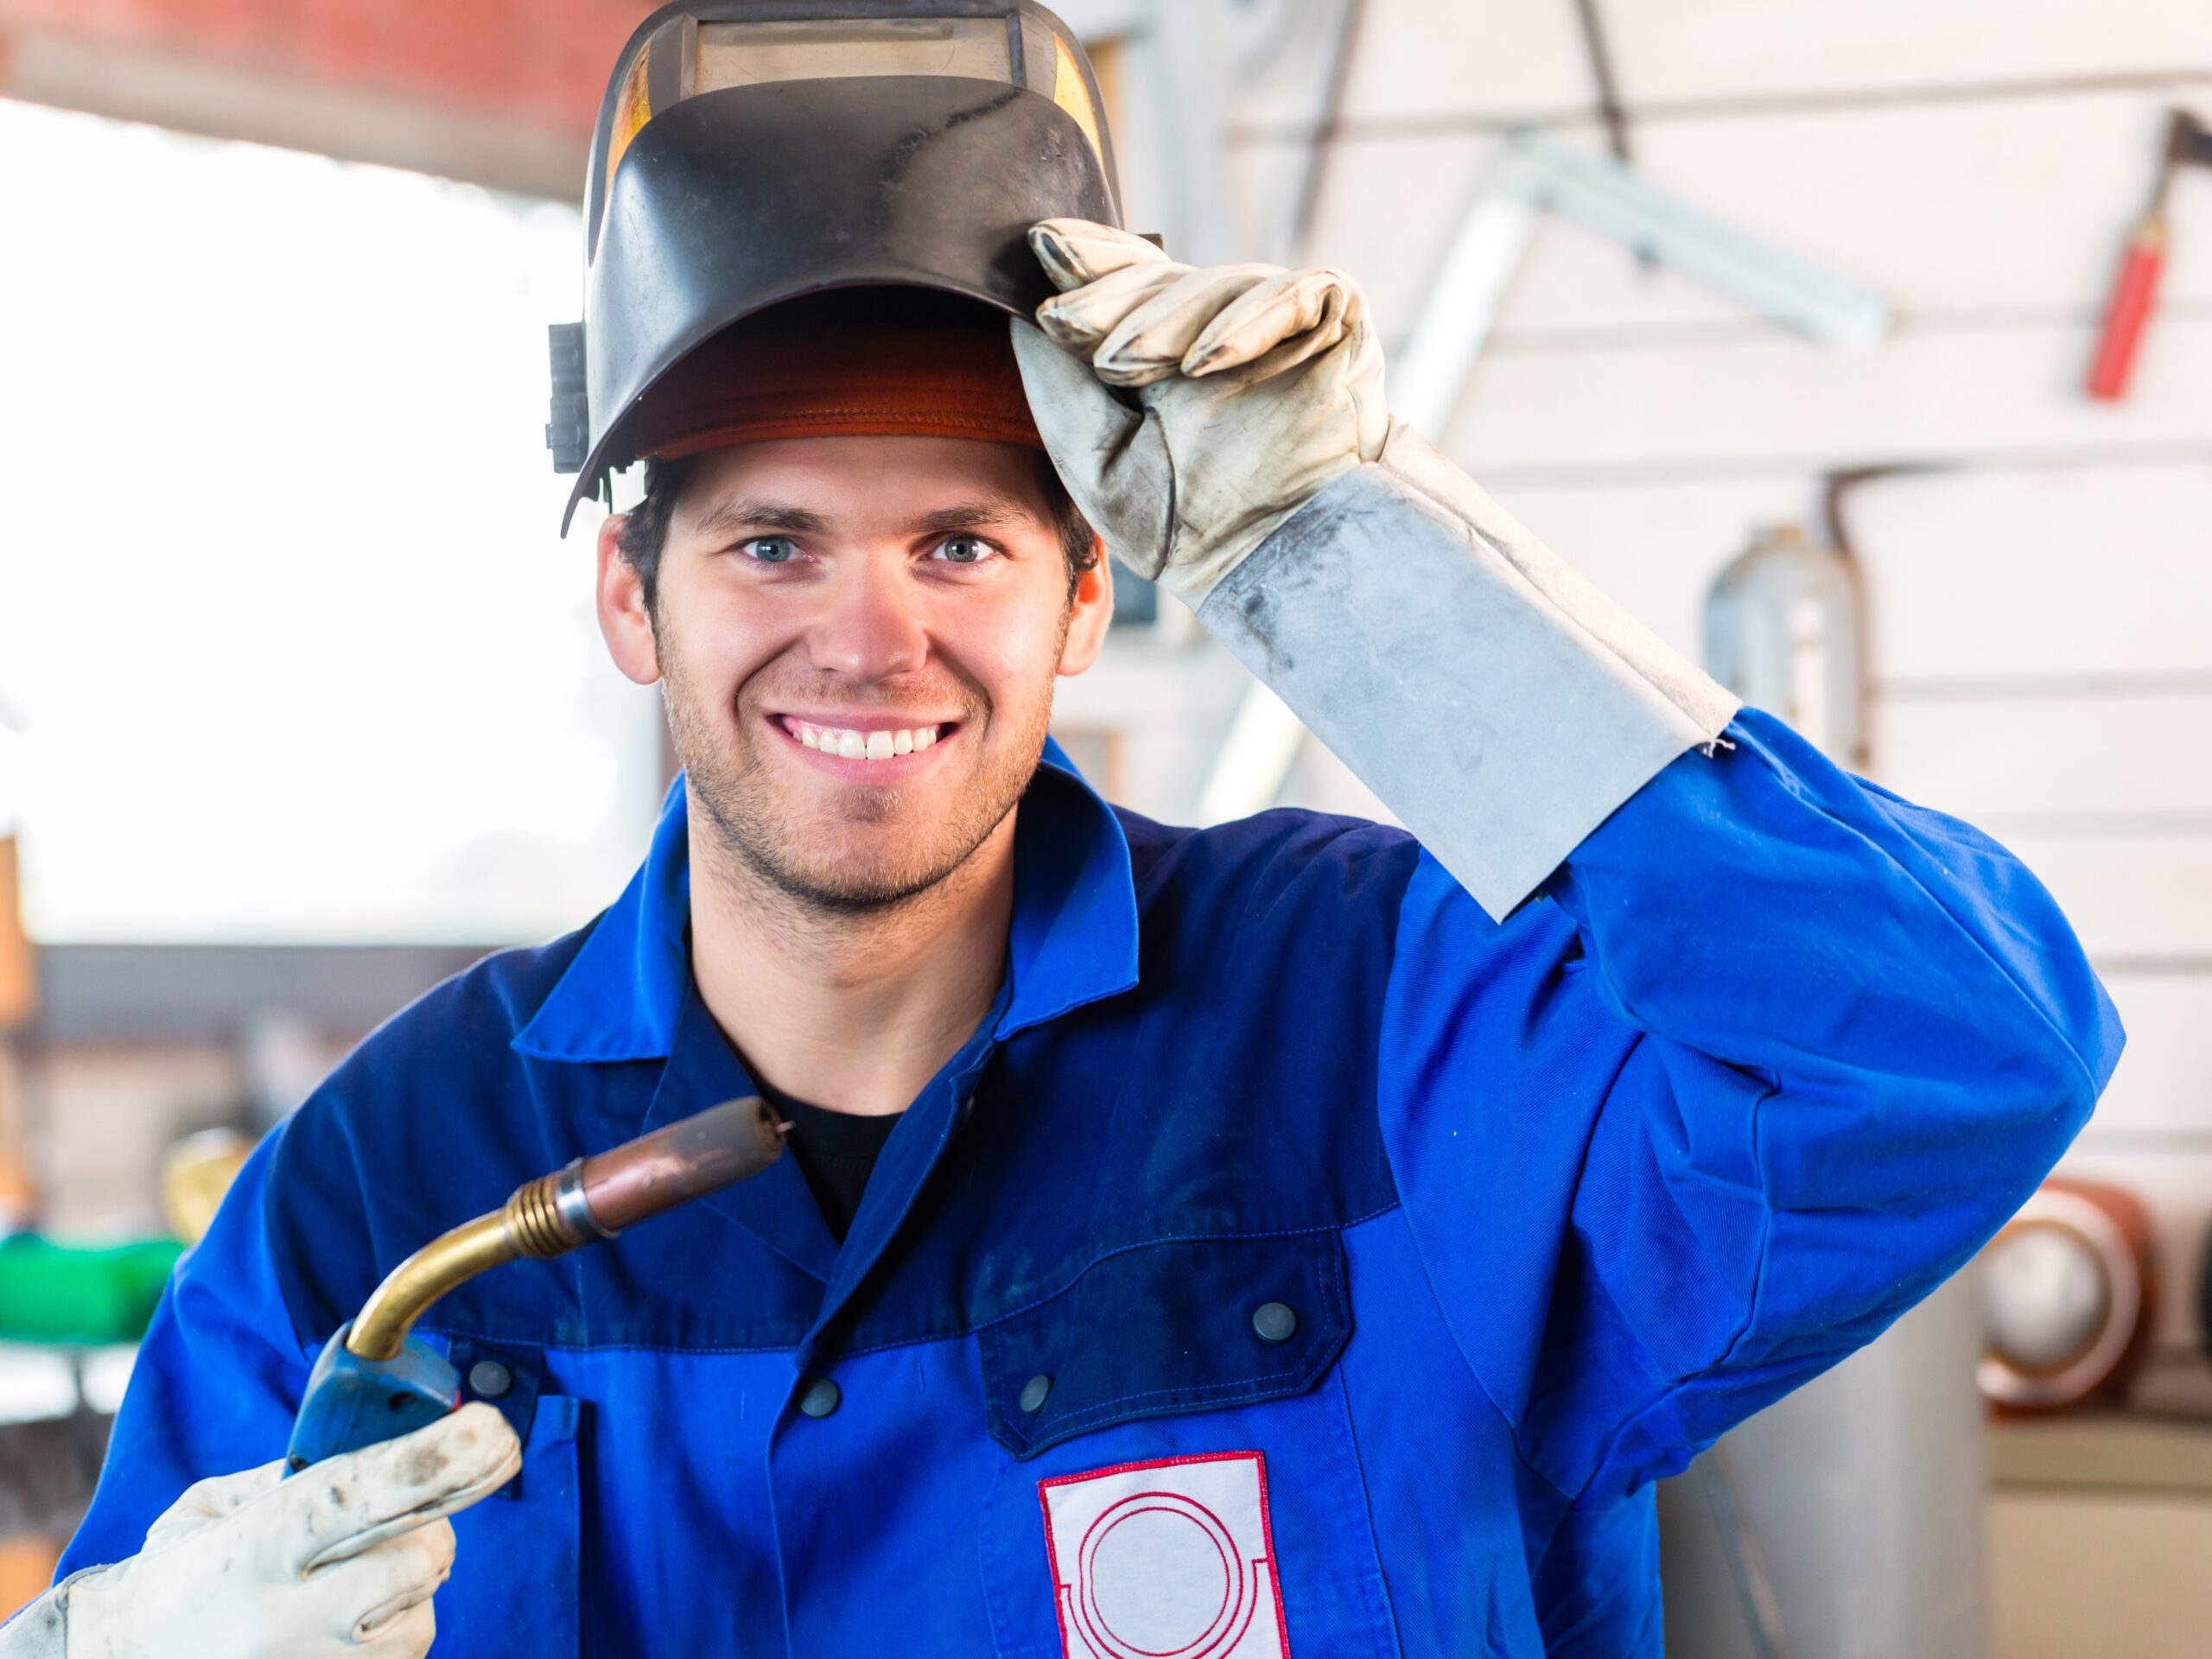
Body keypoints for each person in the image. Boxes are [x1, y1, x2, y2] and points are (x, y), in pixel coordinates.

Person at [7, 25, 2120, 1659]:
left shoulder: (1375, 1022)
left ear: (1089, 593)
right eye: (769, 542)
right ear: (628, 601)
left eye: (958, 539)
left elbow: (1951, 1053)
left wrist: (1359, 551)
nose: (872, 631)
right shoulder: (392, 1194)